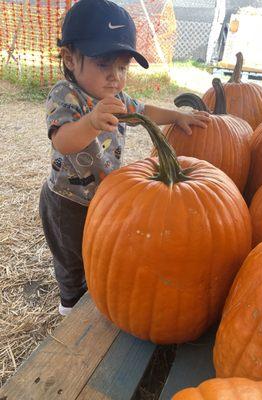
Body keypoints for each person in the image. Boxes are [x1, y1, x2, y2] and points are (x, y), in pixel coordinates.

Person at [39, 0, 211, 316]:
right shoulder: (65, 96)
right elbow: (63, 141)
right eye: (104, 65)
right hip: (67, 201)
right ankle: (69, 306)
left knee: (93, 252)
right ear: (69, 57)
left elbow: (143, 111)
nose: (115, 77)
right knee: (71, 258)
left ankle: (92, 289)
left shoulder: (117, 98)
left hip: (101, 198)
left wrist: (175, 116)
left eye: (122, 67)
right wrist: (90, 122)